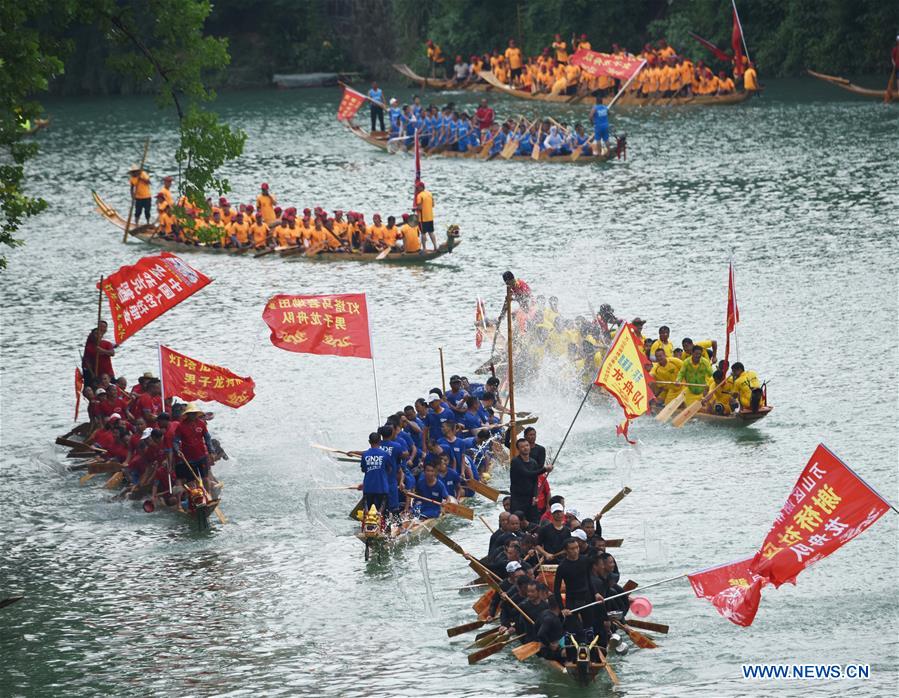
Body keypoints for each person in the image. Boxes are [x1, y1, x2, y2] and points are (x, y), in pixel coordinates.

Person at [554, 537, 598, 640]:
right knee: (575, 631)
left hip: (586, 598)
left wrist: (596, 593)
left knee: (589, 630)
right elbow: (556, 589)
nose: (576, 551)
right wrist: (562, 608)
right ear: (566, 550)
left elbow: (589, 579)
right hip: (572, 601)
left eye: (577, 547)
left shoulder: (585, 560)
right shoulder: (562, 567)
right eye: (572, 548)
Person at [173, 402, 214, 491]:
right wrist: (177, 450)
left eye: (194, 413)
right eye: (191, 414)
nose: (193, 415)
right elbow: (175, 441)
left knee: (205, 478)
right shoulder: (181, 426)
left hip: (202, 456)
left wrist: (211, 451)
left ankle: (209, 495)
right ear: (187, 414)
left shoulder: (201, 424)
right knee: (191, 481)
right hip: (188, 459)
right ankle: (197, 498)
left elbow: (207, 438)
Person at [509, 437, 552, 522]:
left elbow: (535, 481)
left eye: (527, 445)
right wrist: (544, 469)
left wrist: (535, 496)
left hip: (530, 498)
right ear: (518, 449)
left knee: (534, 520)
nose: (526, 448)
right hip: (518, 499)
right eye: (522, 447)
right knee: (518, 521)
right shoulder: (515, 461)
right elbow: (527, 474)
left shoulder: (533, 462)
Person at [360, 431, 390, 515]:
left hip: (368, 488)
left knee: (367, 513)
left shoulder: (365, 455)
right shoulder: (385, 454)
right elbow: (389, 469)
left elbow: (363, 469)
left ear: (369, 442)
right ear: (380, 441)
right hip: (382, 488)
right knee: (381, 514)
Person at [413, 181, 436, 251]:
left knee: (423, 233)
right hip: (430, 217)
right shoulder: (430, 194)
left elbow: (420, 208)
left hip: (423, 218)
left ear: (421, 187)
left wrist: (414, 208)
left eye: (417, 187)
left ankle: (424, 249)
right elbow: (433, 205)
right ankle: (435, 247)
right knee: (431, 232)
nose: (416, 189)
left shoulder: (419, 196)